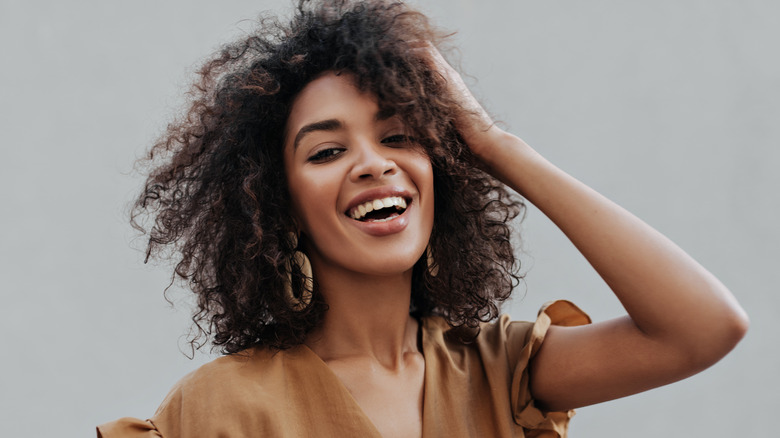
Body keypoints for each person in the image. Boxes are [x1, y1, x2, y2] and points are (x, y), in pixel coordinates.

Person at [97, 1, 748, 437]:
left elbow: (702, 328)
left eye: (401, 138)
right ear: (276, 204)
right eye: (327, 151)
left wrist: (496, 144)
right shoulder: (217, 409)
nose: (373, 164)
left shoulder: (499, 371)